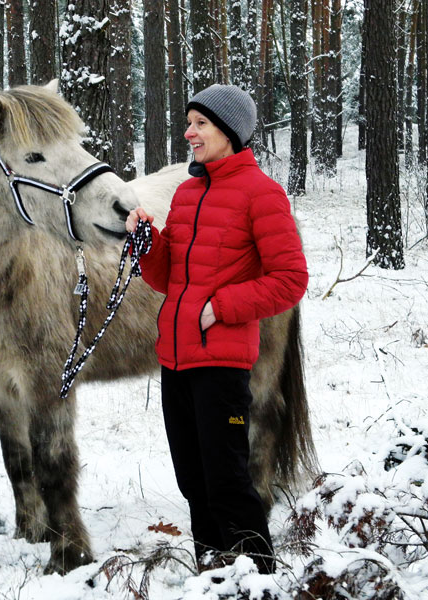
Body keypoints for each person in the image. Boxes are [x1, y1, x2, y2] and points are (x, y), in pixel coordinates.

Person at [126, 84, 308, 575]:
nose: (189, 133)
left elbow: (291, 280)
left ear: (230, 131)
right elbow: (168, 276)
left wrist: (222, 307)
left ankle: (262, 575)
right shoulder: (186, 195)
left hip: (222, 363)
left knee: (228, 481)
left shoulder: (262, 195)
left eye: (200, 124)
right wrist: (148, 242)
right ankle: (213, 572)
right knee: (193, 479)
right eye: (189, 123)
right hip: (176, 359)